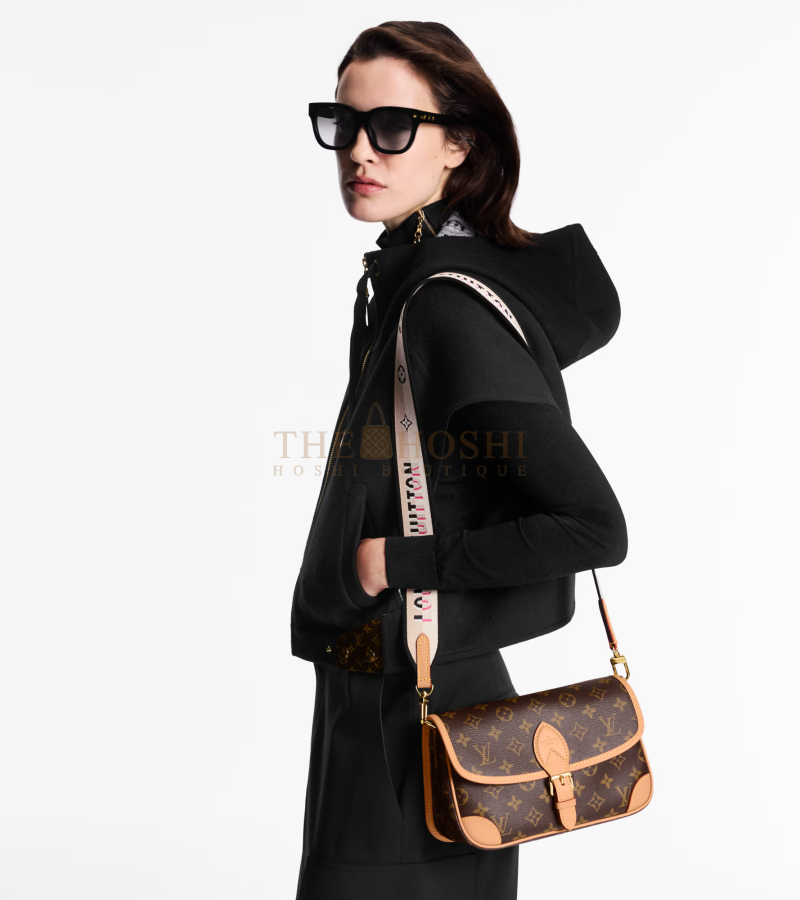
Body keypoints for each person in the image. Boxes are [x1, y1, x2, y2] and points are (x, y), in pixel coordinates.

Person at [292, 21, 628, 900]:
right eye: (344, 123)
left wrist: (393, 561)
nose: (359, 150)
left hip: (419, 712)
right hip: (383, 693)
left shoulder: (444, 308)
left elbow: (593, 525)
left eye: (392, 126)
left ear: (460, 145)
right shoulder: (401, 290)